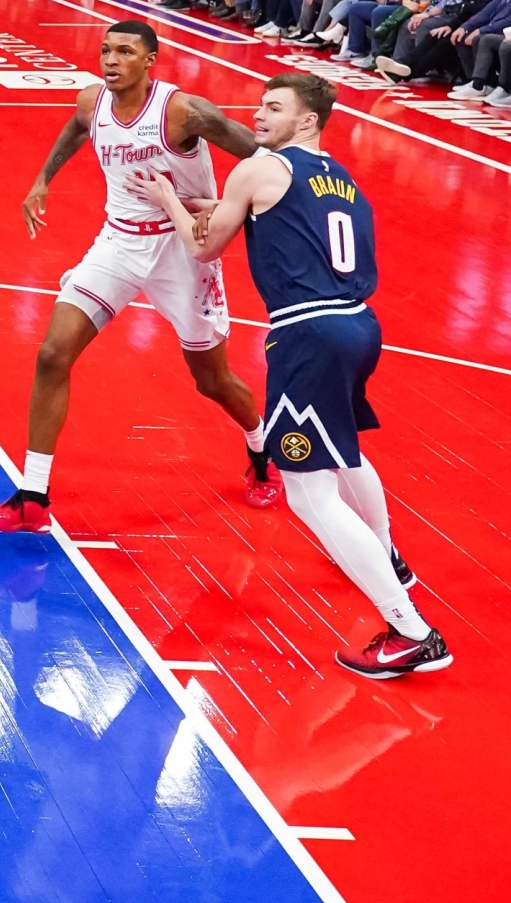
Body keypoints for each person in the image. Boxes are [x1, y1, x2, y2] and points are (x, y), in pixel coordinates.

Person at [133, 73, 450, 679]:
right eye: (259, 104)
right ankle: (389, 556)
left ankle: (412, 631)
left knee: (307, 490)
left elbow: (204, 247)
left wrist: (170, 200)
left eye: (273, 108)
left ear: (307, 120)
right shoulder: (343, 178)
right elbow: (274, 220)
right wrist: (215, 206)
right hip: (359, 325)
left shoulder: (257, 167)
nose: (257, 115)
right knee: (346, 453)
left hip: (309, 334)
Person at [0, 20, 278, 533]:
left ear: (149, 60)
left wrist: (229, 210)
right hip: (117, 241)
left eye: (124, 51)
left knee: (212, 381)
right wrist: (42, 180)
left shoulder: (183, 111)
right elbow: (76, 128)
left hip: (183, 248)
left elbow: (264, 158)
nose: (110, 59)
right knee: (53, 354)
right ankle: (32, 496)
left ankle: (260, 452)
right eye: (105, 50)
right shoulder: (92, 102)